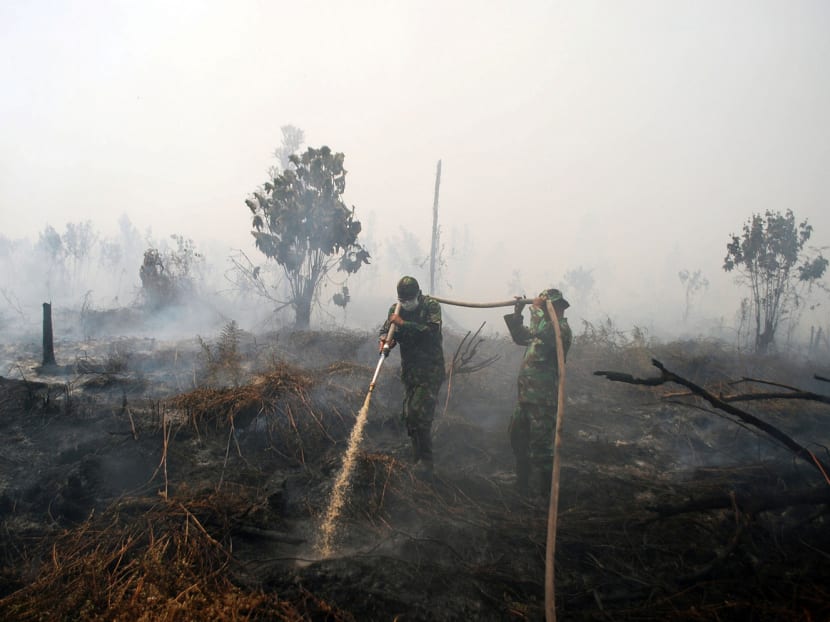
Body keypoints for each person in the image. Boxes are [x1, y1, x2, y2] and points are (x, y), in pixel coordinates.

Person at [504, 288, 573, 496]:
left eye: (546, 307)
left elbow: (543, 331)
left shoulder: (560, 329)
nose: (543, 311)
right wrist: (518, 313)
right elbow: (520, 336)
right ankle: (522, 485)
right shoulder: (540, 331)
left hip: (543, 400)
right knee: (517, 438)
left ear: (558, 308)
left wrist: (536, 310)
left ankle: (546, 494)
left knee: (542, 449)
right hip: (525, 397)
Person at [379, 276, 446, 476]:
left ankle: (426, 462)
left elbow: (431, 332)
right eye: (403, 299)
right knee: (410, 416)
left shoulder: (431, 307)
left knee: (419, 413)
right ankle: (417, 459)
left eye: (409, 299)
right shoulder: (395, 310)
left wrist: (403, 323)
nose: (406, 303)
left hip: (430, 371)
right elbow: (386, 331)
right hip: (410, 372)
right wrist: (385, 341)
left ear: (418, 294)